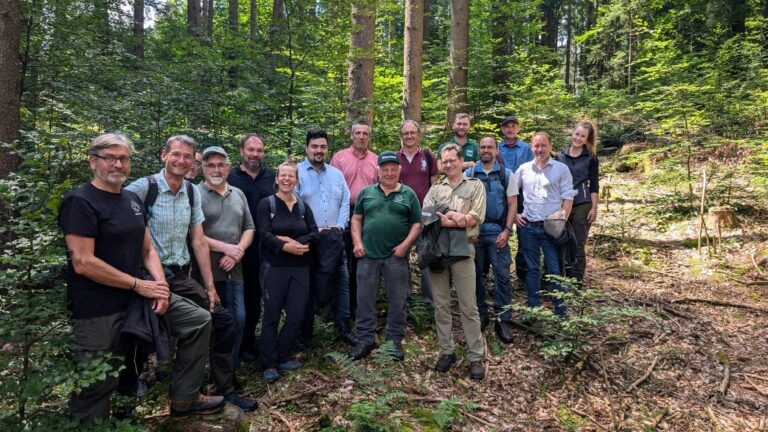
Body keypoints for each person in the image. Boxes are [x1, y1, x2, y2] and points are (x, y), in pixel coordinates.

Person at [59, 132, 224, 422]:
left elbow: (147, 248)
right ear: (93, 162)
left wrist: (159, 287)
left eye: (123, 158)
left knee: (199, 321)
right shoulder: (81, 201)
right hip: (98, 307)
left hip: (138, 297)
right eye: (109, 158)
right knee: (97, 382)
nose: (117, 164)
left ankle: (182, 398)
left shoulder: (129, 201)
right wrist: (139, 284)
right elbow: (83, 262)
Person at [126, 135, 256, 412]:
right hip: (146, 276)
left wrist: (209, 287)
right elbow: (119, 223)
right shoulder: (142, 188)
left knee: (222, 320)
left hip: (182, 276)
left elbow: (197, 241)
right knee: (141, 332)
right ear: (164, 155)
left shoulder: (190, 192)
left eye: (187, 156)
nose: (181, 160)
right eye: (176, 155)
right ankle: (130, 394)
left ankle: (211, 390)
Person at [349, 151, 422, 361]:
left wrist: (405, 246)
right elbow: (356, 220)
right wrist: (357, 243)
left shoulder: (408, 194)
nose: (389, 173)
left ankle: (394, 341)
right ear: (378, 171)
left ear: (399, 170)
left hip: (396, 257)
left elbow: (417, 223)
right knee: (364, 299)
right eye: (385, 169)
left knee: (398, 299)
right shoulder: (366, 193)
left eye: (393, 169)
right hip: (367, 255)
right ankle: (365, 339)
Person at [423, 144, 487, 380]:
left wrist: (453, 218)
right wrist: (455, 218)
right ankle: (447, 350)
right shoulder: (435, 189)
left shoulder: (475, 185)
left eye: (452, 160)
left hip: (464, 250)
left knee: (468, 306)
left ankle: (475, 356)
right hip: (437, 251)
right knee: (441, 305)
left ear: (461, 160)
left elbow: (476, 216)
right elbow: (428, 216)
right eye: (444, 161)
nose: (448, 164)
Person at [257, 160, 318, 382]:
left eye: (291, 176)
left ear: (296, 180)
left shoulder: (302, 207)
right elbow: (263, 234)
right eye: (282, 175)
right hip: (275, 268)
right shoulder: (268, 204)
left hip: (300, 268)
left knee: (296, 315)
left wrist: (292, 242)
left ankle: (283, 355)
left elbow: (314, 232)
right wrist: (283, 247)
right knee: (271, 315)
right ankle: (268, 363)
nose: (286, 179)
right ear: (276, 179)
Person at [295, 130, 356, 346]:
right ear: (307, 148)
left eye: (322, 147)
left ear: (327, 149)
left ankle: (343, 328)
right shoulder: (296, 173)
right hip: (310, 240)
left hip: (335, 239)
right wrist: (311, 231)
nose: (318, 151)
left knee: (342, 283)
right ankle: (305, 333)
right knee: (308, 286)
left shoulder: (336, 174)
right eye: (314, 146)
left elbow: (345, 202)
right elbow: (293, 206)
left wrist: (339, 226)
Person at [197, 146, 255, 371]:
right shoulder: (195, 193)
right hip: (207, 273)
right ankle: (211, 372)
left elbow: (249, 227)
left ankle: (230, 369)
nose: (216, 169)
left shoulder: (237, 194)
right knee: (215, 323)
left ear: (228, 167)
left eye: (221, 164)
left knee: (239, 319)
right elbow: (194, 234)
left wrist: (238, 250)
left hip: (235, 271)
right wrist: (227, 249)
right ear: (202, 167)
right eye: (210, 164)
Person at [227, 133, 276, 363]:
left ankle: (247, 344)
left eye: (259, 150)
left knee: (255, 299)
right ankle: (228, 348)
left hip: (263, 248)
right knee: (233, 300)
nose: (255, 154)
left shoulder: (272, 177)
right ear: (242, 151)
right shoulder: (230, 176)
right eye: (251, 150)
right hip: (234, 247)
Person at [515, 132, 575, 317]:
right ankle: (533, 308)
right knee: (532, 269)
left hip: (551, 228)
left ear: (550, 145)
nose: (539, 149)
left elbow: (568, 195)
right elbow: (511, 193)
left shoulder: (561, 169)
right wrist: (516, 215)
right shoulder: (524, 169)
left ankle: (560, 310)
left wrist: (562, 220)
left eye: (543, 145)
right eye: (536, 146)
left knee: (554, 269)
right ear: (531, 147)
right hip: (528, 227)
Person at [465, 136, 517, 343]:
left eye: (490, 147)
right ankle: (481, 314)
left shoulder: (506, 174)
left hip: (497, 231)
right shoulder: (469, 174)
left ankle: (503, 318)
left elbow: (512, 204)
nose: (486, 150)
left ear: (497, 150)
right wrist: (469, 232)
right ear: (479, 150)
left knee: (502, 274)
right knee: (475, 275)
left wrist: (507, 230)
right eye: (483, 147)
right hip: (475, 234)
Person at [330, 121, 378, 319]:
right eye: (357, 133)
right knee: (341, 260)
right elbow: (331, 186)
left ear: (369, 136)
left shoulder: (376, 159)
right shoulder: (339, 158)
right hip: (343, 212)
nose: (361, 136)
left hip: (368, 213)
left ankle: (359, 307)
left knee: (363, 260)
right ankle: (339, 307)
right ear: (351, 136)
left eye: (365, 133)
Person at [396, 120, 438, 309]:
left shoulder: (428, 156)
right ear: (401, 136)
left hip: (425, 215)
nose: (409, 136)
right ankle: (405, 300)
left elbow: (434, 185)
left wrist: (433, 211)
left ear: (418, 135)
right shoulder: (395, 157)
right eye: (406, 133)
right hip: (401, 216)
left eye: (413, 133)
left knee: (426, 257)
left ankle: (429, 303)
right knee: (401, 256)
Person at [556, 122, 599, 284]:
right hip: (562, 203)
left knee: (578, 242)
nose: (578, 138)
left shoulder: (591, 157)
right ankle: (563, 277)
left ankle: (576, 282)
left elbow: (594, 184)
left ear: (587, 139)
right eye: (577, 134)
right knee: (562, 240)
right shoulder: (560, 156)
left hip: (582, 202)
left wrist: (594, 208)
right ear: (572, 133)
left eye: (583, 136)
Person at [497, 115, 534, 287]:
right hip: (500, 197)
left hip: (522, 197)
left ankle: (523, 276)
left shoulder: (526, 148)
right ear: (502, 129)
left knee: (524, 237)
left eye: (513, 126)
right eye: (506, 126)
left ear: (517, 128)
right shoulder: (496, 148)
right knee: (499, 234)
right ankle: (500, 276)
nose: (510, 129)